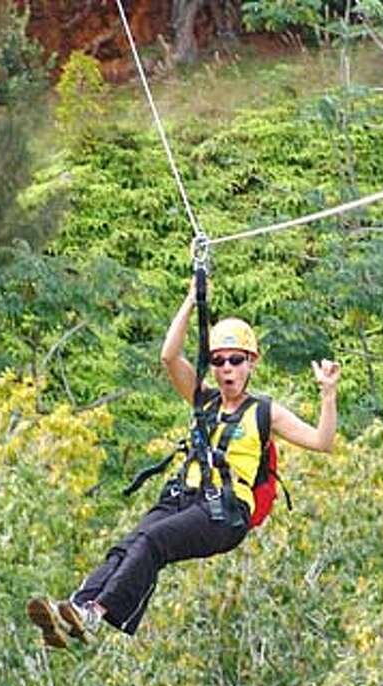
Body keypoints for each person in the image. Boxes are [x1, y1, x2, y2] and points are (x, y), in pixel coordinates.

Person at [27, 274, 340, 647]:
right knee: (131, 543)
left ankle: (94, 614)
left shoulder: (265, 413)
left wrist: (328, 394)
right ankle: (75, 611)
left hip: (224, 511)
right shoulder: (202, 399)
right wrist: (192, 299)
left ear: (251, 363)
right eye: (219, 361)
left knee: (154, 541)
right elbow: (168, 356)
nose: (227, 369)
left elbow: (322, 442)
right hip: (182, 496)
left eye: (236, 360)